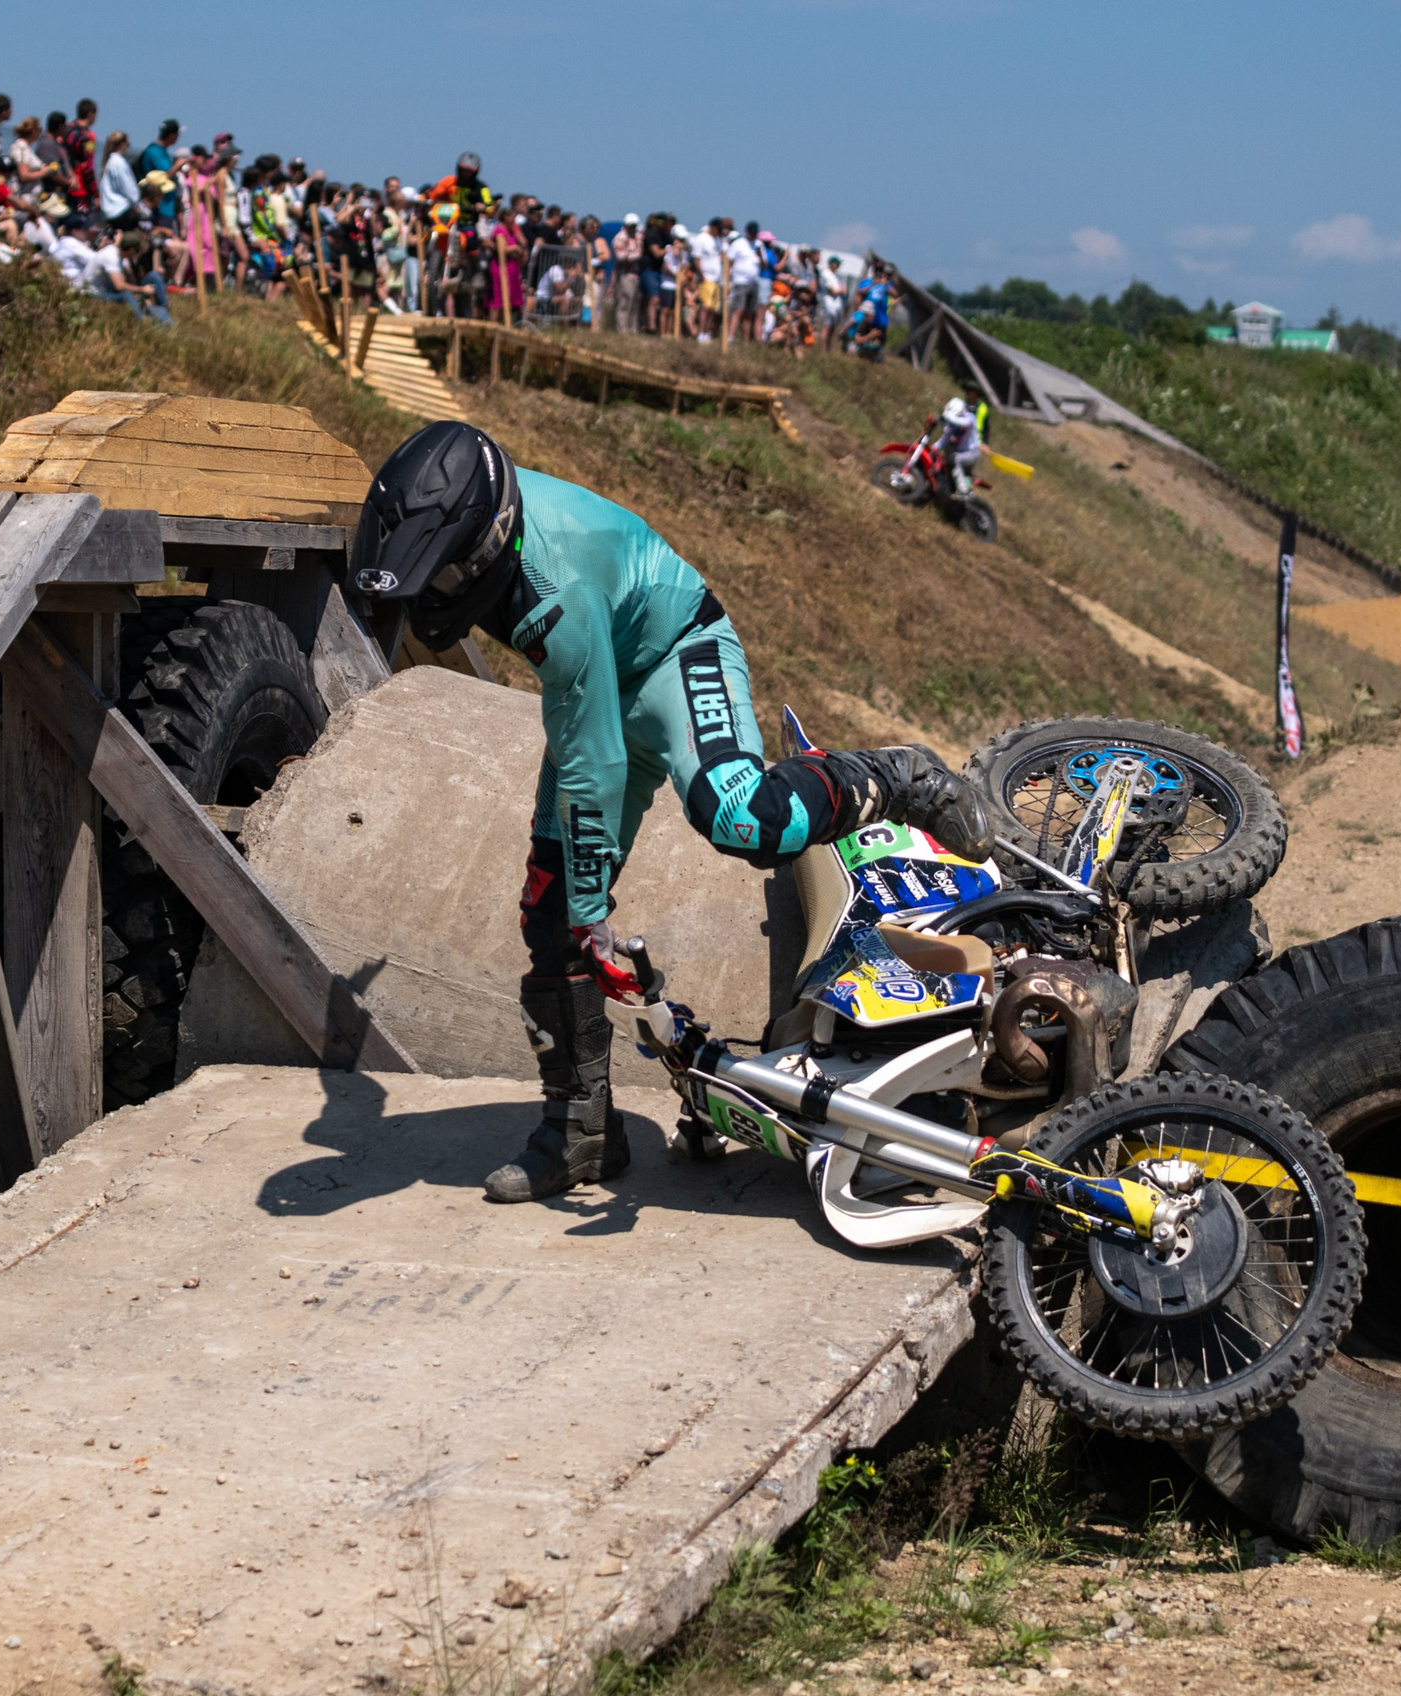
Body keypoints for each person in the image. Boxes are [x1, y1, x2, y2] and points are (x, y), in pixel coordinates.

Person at [346, 424, 993, 1203]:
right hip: (596, 681)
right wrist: (576, 913)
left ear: (484, 550)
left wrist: (596, 916)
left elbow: (596, 764)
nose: (439, 592)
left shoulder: (553, 597)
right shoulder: (480, 523)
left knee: (744, 818)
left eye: (445, 574)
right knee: (548, 910)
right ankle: (583, 1130)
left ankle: (895, 775)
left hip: (674, 651)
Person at [934, 397, 984, 493]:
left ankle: (963, 490)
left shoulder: (970, 418)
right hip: (962, 452)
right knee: (946, 458)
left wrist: (948, 417)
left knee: (954, 459)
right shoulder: (953, 423)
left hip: (972, 453)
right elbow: (943, 441)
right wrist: (932, 448)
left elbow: (965, 422)